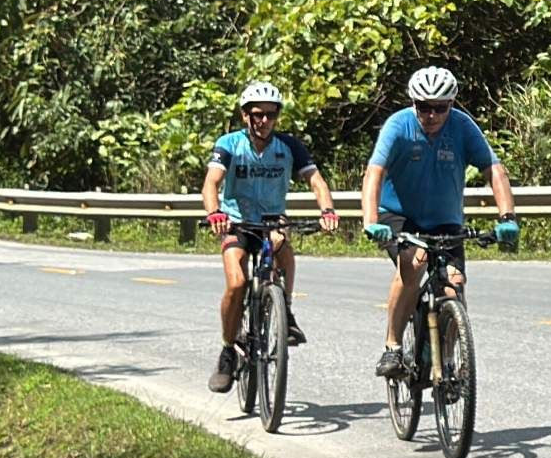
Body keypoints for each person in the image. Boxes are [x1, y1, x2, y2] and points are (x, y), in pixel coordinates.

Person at [362, 66, 519, 379]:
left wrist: (507, 218)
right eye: (424, 107)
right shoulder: (399, 126)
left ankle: (444, 361)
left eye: (440, 108)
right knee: (413, 261)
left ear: (451, 104)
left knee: (454, 284)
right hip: (398, 214)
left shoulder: (462, 127)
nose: (431, 115)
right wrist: (371, 219)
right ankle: (392, 346)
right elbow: (374, 173)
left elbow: (494, 170)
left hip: (445, 220)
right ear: (414, 104)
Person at [202, 81, 339, 393]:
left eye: (270, 115)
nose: (264, 121)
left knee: (282, 244)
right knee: (237, 283)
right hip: (236, 222)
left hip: (271, 221)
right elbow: (212, 183)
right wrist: (215, 213)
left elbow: (315, 180)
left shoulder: (288, 146)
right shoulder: (230, 144)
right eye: (257, 115)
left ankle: (285, 311)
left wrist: (328, 210)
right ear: (245, 116)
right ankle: (228, 349)